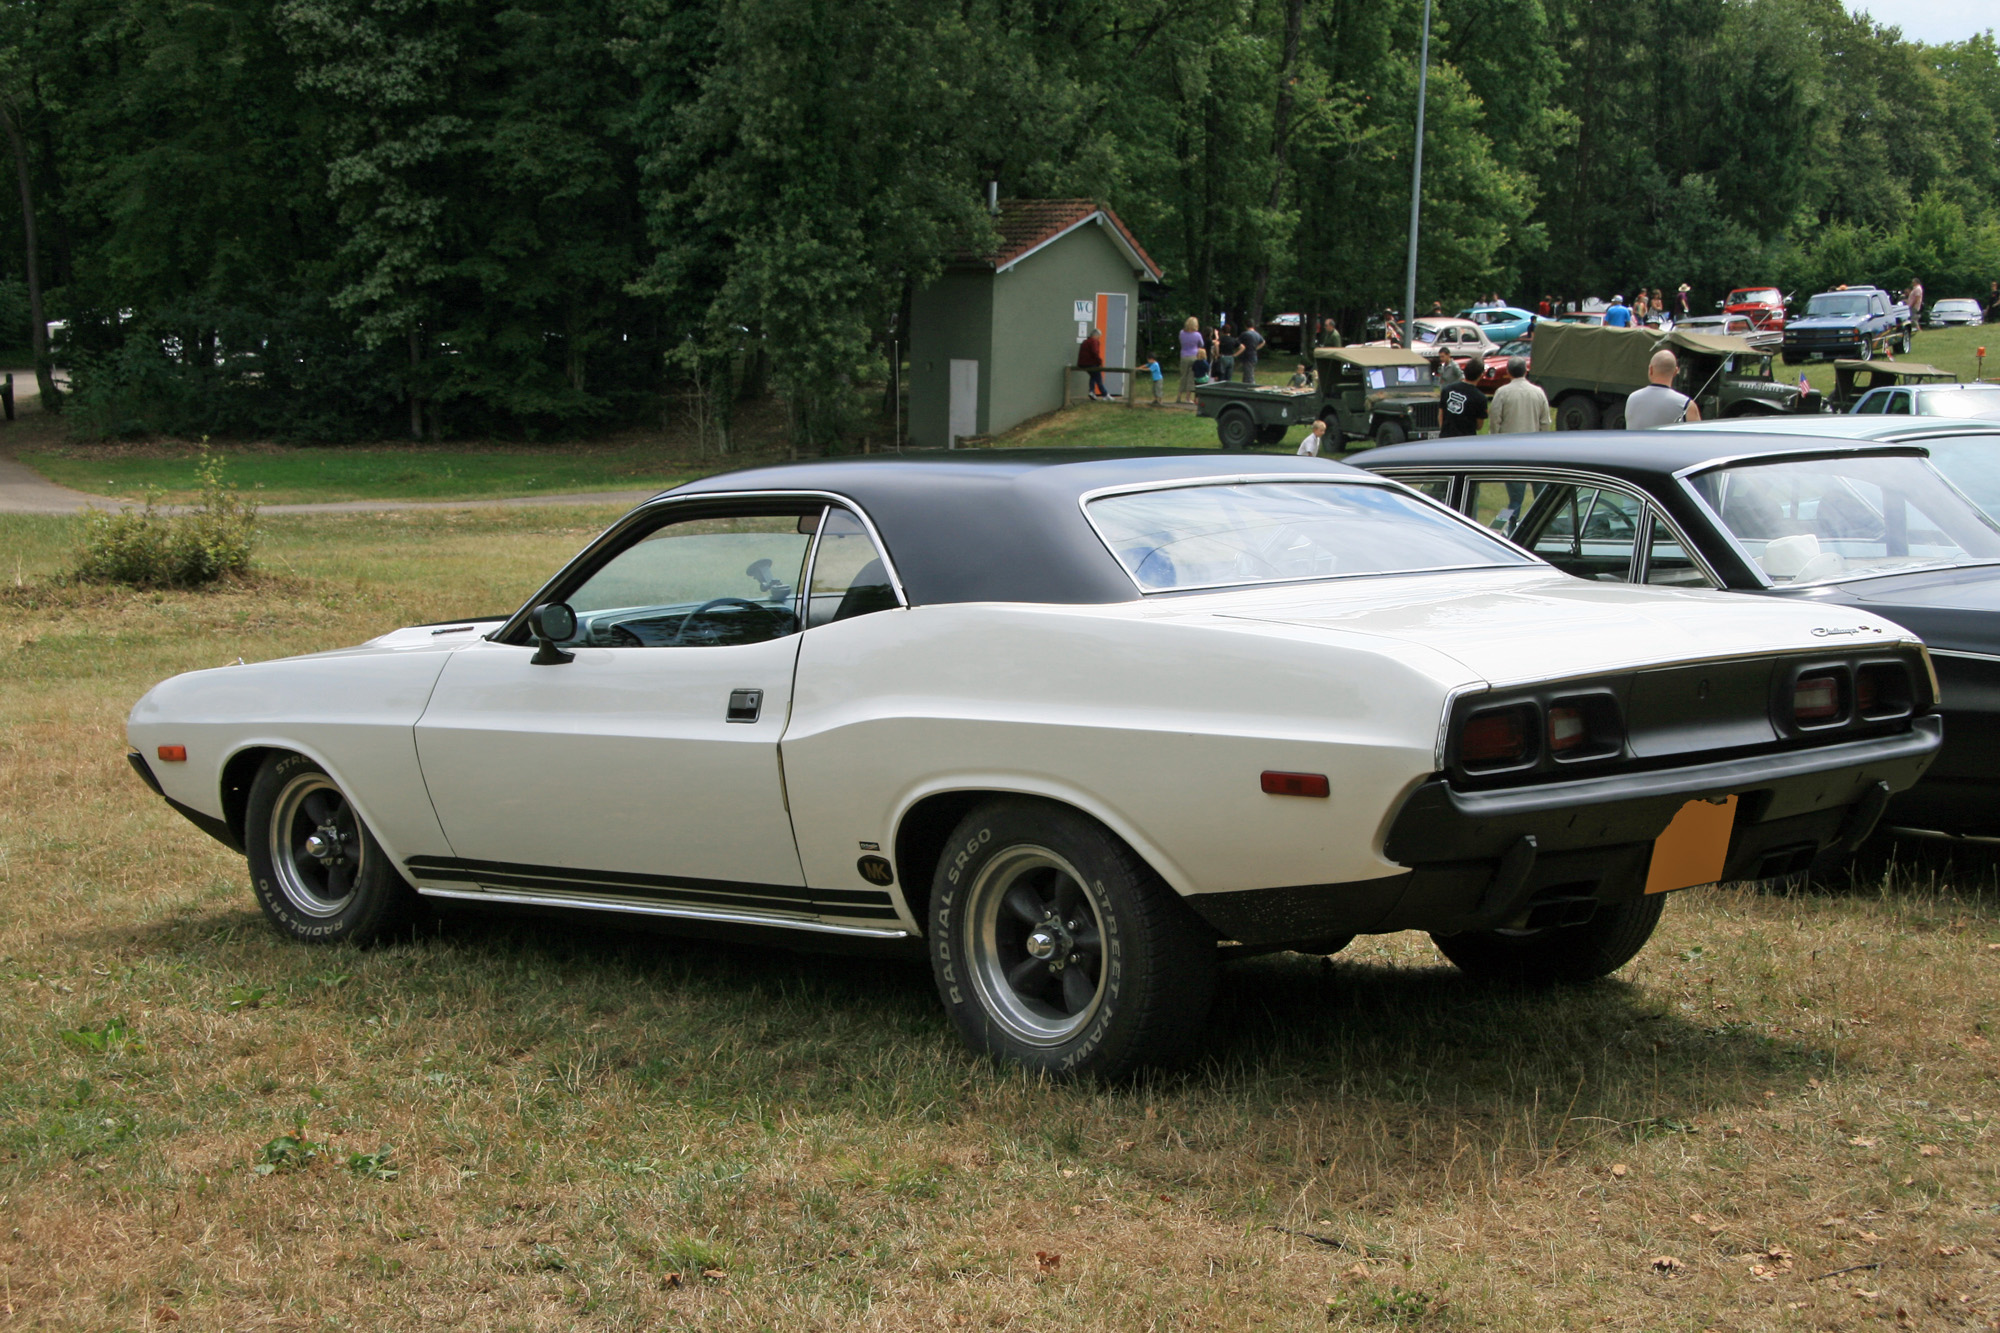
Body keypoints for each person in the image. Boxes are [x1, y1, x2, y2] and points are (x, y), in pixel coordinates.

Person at [1625, 349, 1702, 427]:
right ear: (1676, 372)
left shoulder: (1632, 398)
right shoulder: (1687, 405)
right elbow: (1699, 437)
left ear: (1651, 369)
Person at [1489, 356, 1550, 434]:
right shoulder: (1538, 392)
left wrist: (1495, 438)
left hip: (1508, 441)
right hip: (1532, 441)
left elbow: (1494, 419)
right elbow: (1545, 422)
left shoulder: (1502, 393)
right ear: (1526, 371)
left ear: (1508, 372)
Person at [1441, 371, 1488, 437]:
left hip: (1446, 437)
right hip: (1467, 440)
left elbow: (1441, 414)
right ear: (1480, 376)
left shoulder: (1447, 389)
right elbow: (1479, 426)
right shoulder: (1480, 398)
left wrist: (1443, 430)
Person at [1176, 316, 1204, 403]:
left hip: (1184, 356)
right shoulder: (1197, 335)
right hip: (1194, 356)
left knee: (1183, 376)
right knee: (1190, 377)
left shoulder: (1181, 333)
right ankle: (1188, 398)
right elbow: (1201, 344)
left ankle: (1179, 396)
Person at [1077, 326, 1106, 399]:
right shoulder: (1094, 341)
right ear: (1095, 335)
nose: (1099, 338)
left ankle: (1092, 391)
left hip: (1082, 364)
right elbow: (1094, 352)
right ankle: (1105, 394)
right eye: (1099, 336)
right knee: (1098, 378)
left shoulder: (1085, 342)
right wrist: (1100, 362)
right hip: (1091, 364)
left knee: (1093, 376)